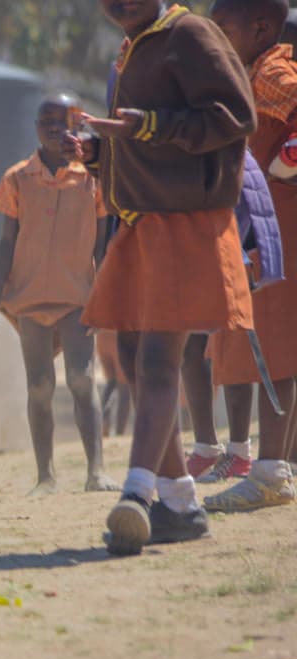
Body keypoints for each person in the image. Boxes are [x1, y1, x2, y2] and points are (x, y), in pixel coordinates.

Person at [80, 0, 255, 554]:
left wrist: (148, 125)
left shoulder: (190, 33)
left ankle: (136, 495)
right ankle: (179, 502)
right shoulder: (138, 44)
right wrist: (97, 153)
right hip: (143, 223)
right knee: (132, 359)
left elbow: (235, 115)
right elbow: (145, 145)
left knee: (158, 360)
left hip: (185, 224)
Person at [0, 93, 117, 495]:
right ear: (37, 127)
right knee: (39, 385)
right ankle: (46, 476)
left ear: (79, 124)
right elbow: (7, 241)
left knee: (80, 377)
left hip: (77, 295)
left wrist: (103, 289)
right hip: (28, 295)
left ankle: (97, 471)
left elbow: (104, 240)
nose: (56, 128)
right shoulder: (17, 177)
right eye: (47, 121)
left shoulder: (93, 176)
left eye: (65, 120)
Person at [203, 0, 297, 511]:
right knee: (275, 347)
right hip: (265, 224)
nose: (216, 36)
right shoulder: (250, 72)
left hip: (281, 225)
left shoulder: (274, 75)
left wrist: (285, 167)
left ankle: (269, 474)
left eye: (223, 27)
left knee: (279, 347)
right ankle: (271, 468)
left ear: (260, 28)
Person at [182, 146, 283, 483]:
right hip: (200, 241)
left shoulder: (235, 137)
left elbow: (250, 199)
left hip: (237, 247)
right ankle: (207, 447)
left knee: (237, 349)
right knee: (194, 348)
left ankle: (240, 453)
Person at [96, 330, 132, 437]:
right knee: (124, 387)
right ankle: (119, 432)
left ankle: (104, 420)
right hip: (119, 334)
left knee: (111, 382)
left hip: (101, 336)